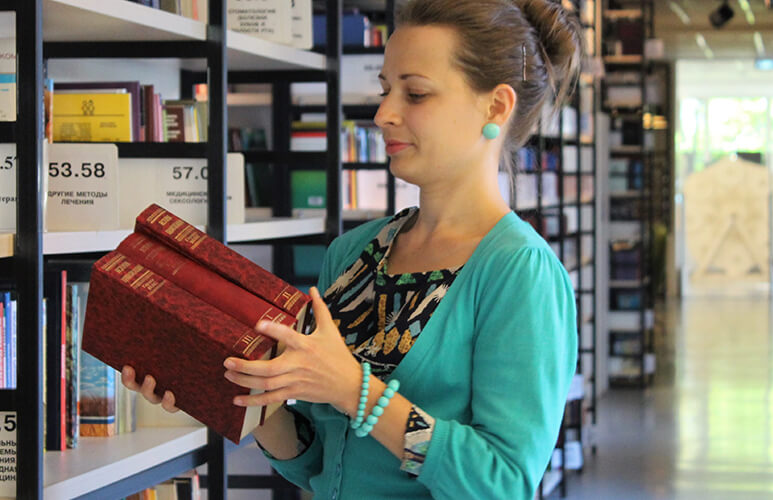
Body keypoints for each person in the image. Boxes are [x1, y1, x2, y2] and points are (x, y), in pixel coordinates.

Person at [122, 0, 581, 497]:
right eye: (385, 91)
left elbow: (505, 482)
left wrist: (356, 392)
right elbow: (318, 464)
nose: (383, 114)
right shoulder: (354, 253)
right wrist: (230, 389)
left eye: (416, 93)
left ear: (495, 107)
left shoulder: (519, 271)